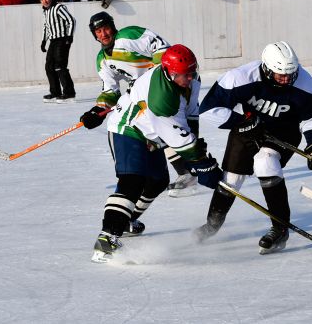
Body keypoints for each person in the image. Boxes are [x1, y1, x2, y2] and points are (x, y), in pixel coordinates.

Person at [194, 41, 312, 255]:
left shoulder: (305, 83)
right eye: (280, 75)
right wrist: (241, 122)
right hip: (247, 127)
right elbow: (209, 110)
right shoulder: (240, 77)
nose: (286, 80)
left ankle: (280, 228)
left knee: (265, 162)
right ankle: (212, 225)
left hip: (284, 130)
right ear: (266, 68)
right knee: (231, 179)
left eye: (290, 75)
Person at [91, 45, 222, 263]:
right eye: (185, 74)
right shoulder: (162, 98)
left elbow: (190, 113)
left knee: (158, 181)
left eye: (192, 71)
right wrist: (201, 162)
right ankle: (107, 238)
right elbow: (178, 139)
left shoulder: (190, 79)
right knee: (132, 180)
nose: (190, 77)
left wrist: (195, 145)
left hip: (151, 132)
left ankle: (126, 220)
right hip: (128, 128)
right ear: (170, 73)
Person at [79, 12, 197, 198]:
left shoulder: (128, 36)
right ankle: (186, 171)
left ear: (112, 27)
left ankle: (190, 170)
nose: (103, 34)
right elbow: (110, 91)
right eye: (98, 31)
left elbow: (163, 50)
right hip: (143, 95)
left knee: (167, 127)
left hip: (165, 87)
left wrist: (154, 79)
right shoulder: (102, 59)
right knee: (151, 130)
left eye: (106, 28)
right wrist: (98, 110)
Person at [39, 0, 76, 103]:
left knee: (60, 65)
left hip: (62, 40)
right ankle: (55, 92)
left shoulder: (58, 7)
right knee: (49, 66)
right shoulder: (46, 11)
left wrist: (69, 36)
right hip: (53, 41)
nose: (44, 1)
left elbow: (71, 20)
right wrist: (43, 41)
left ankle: (69, 93)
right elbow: (46, 27)